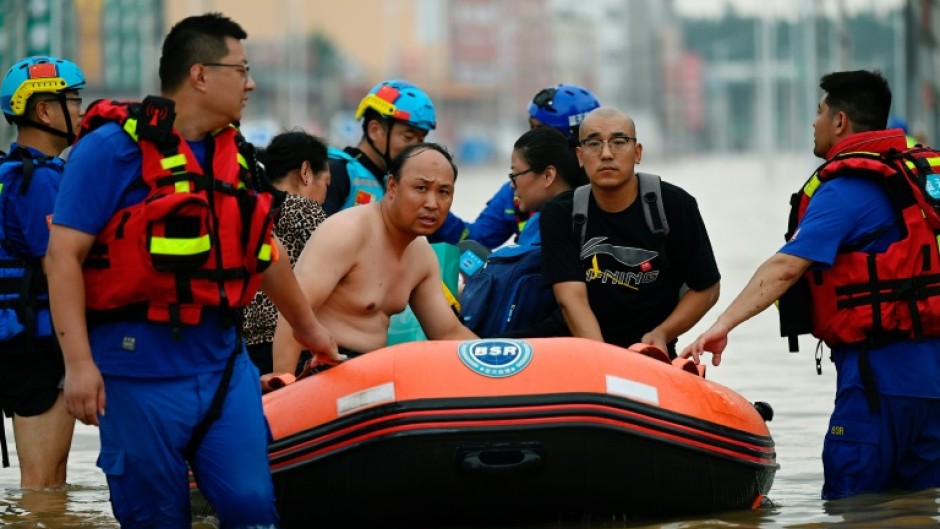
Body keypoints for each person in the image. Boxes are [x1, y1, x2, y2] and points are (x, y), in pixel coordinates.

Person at [45, 13, 341, 528]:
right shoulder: (109, 150)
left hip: (223, 365)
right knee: (156, 517)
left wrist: (312, 332)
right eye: (241, 69)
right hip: (135, 371)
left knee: (254, 507)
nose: (250, 83)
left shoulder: (236, 157)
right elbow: (62, 256)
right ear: (200, 74)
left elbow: (263, 251)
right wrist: (78, 364)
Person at [682, 70, 940, 499]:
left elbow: (785, 268)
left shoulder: (846, 189)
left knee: (851, 505)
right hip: (933, 381)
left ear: (840, 122)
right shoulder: (921, 179)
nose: (813, 122)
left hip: (879, 381)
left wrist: (721, 324)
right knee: (917, 506)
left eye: (818, 112)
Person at [267, 142, 477, 384]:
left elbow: (447, 332)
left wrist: (500, 359)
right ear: (392, 186)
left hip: (370, 374)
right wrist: (284, 385)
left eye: (444, 192)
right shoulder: (346, 231)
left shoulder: (421, 253)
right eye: (421, 188)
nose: (432, 203)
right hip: (317, 368)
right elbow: (293, 314)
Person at [539, 106, 721, 356]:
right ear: (580, 156)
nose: (606, 154)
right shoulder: (560, 213)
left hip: (651, 352)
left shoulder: (675, 206)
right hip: (579, 352)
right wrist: (606, 361)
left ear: (637, 152)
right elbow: (571, 300)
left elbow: (707, 288)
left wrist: (662, 333)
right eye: (594, 144)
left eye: (619, 142)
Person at [0, 55, 85, 490]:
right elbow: (59, 259)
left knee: (53, 481)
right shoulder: (40, 179)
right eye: (72, 99)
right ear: (44, 110)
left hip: (28, 340)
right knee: (42, 483)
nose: (81, 109)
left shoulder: (28, 173)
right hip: (37, 346)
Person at [430, 83, 600, 249]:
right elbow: (476, 239)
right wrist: (432, 213)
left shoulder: (606, 191)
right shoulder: (518, 190)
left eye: (540, 129)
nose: (530, 136)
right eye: (531, 126)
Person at [243, 130, 331, 374]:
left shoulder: (251, 207)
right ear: (306, 172)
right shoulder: (305, 209)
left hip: (243, 347)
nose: (324, 197)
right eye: (326, 183)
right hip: (290, 345)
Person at [321, 79, 436, 215]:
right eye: (408, 137)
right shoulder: (337, 173)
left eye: (421, 139)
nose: (416, 148)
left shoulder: (397, 183)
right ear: (374, 130)